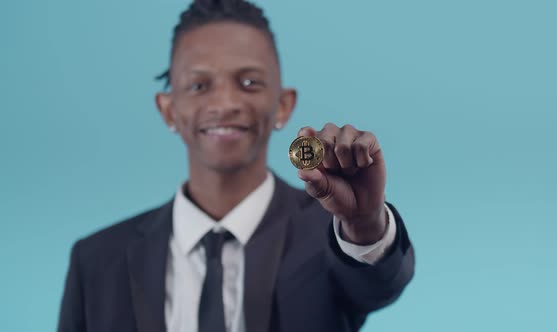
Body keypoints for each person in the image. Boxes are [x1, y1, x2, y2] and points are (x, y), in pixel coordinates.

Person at [57, 0, 415, 331]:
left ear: (283, 105)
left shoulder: (331, 235)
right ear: (169, 109)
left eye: (249, 83)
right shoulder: (96, 263)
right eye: (199, 85)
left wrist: (363, 222)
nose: (225, 102)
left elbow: (379, 284)